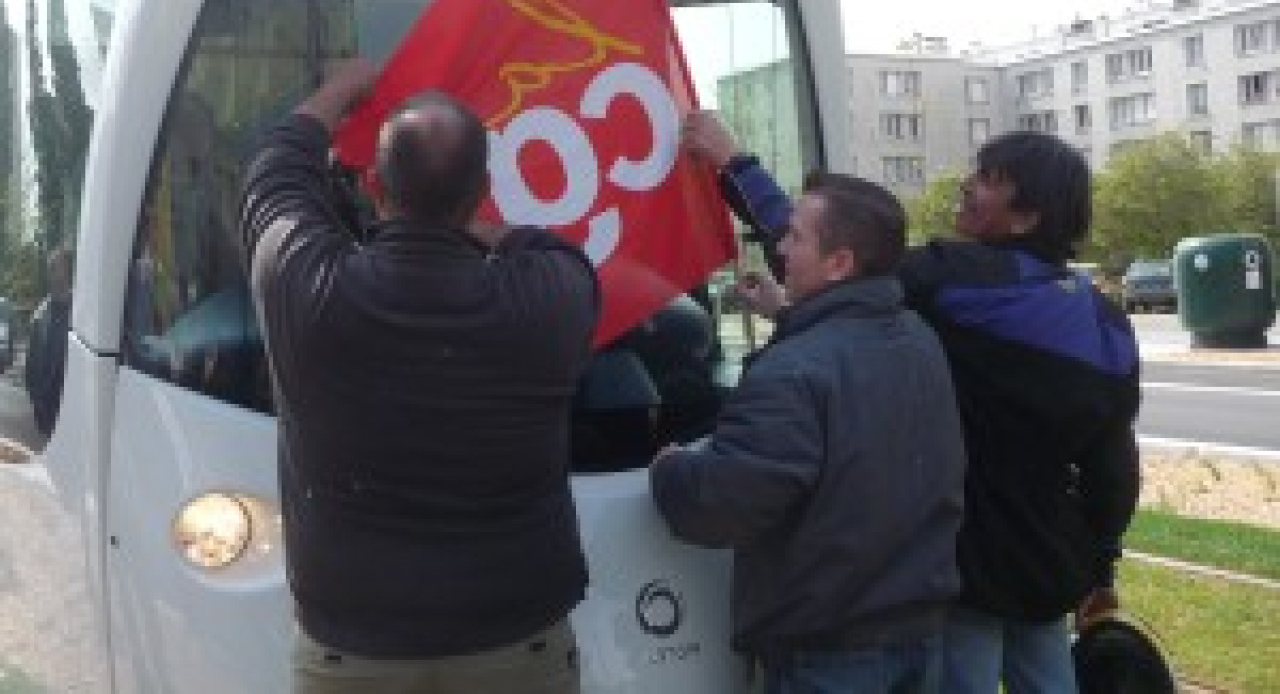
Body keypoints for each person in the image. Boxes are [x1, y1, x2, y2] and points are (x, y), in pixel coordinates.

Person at [681, 112, 1141, 694]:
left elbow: (836, 256)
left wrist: (735, 164)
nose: (968, 185)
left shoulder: (957, 280)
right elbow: (1113, 467)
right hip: (1050, 563)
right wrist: (1098, 563)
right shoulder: (1106, 321)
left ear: (1027, 215)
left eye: (990, 179)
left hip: (961, 560)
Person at [239, 61, 600, 694]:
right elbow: (551, 249)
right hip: (517, 642)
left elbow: (276, 168)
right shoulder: (550, 298)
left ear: (375, 185)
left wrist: (342, 88)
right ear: (484, 189)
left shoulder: (305, 285)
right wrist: (483, 231)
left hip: (351, 650)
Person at [649, 171, 966, 694]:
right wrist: (790, 317)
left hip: (831, 645)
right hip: (918, 627)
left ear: (839, 263)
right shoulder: (916, 336)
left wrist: (673, 472)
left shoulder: (794, 369)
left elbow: (730, 498)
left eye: (795, 236)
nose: (781, 247)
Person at [25, 246, 73, 438]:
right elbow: (32, 359)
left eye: (55, 267)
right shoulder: (41, 312)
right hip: (46, 409)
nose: (50, 273)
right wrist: (35, 397)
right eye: (49, 268)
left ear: (68, 270)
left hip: (71, 407)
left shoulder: (81, 311)